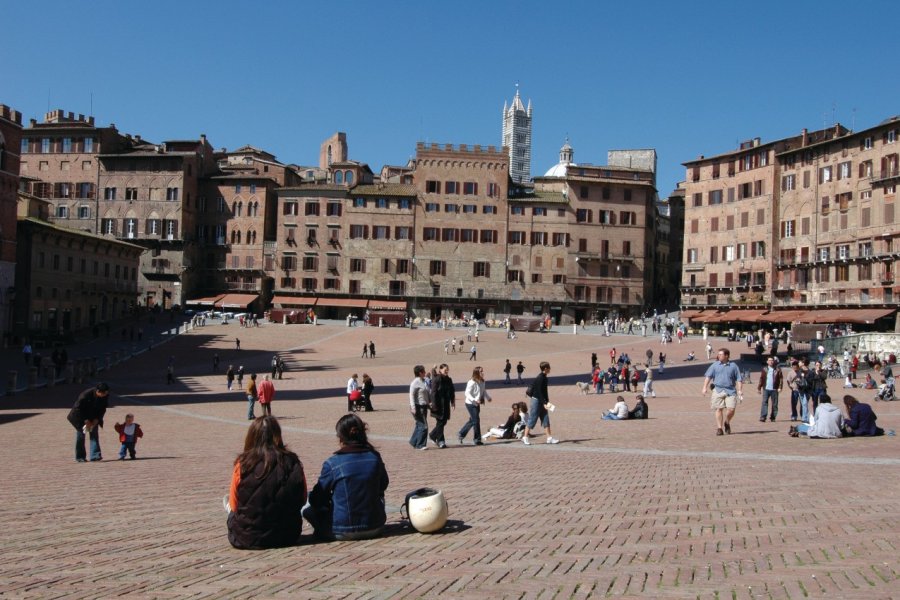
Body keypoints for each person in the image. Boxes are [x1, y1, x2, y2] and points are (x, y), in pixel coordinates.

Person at [302, 414, 389, 541]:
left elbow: (317, 499)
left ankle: (322, 532)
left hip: (344, 530)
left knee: (306, 508)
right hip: (376, 526)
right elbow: (384, 484)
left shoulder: (333, 463)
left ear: (341, 438)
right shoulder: (375, 457)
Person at [226, 416, 307, 549]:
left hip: (247, 537)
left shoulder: (243, 464)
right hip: (288, 535)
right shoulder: (293, 462)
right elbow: (302, 499)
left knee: (229, 507)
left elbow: (234, 505)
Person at [702, 348, 743, 436]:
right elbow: (708, 377)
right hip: (718, 390)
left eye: (721, 354)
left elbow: (739, 379)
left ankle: (727, 422)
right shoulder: (715, 365)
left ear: (726, 356)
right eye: (718, 354)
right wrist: (704, 387)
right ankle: (719, 428)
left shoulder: (733, 366)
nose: (718, 356)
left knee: (731, 409)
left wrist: (740, 390)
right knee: (718, 409)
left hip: (730, 390)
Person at [67, 382, 110, 462]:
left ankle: (95, 455)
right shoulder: (85, 395)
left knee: (94, 435)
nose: (104, 395)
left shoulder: (105, 395)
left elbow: (103, 408)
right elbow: (78, 409)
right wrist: (86, 421)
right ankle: (80, 457)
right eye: (103, 393)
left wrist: (97, 419)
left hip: (93, 416)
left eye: (106, 393)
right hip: (80, 417)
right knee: (81, 436)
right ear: (97, 391)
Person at [522, 362, 559, 445]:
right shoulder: (540, 378)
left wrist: (547, 401)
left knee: (545, 418)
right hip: (536, 401)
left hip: (542, 401)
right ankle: (525, 437)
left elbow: (545, 392)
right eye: (549, 367)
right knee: (533, 419)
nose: (550, 369)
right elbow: (539, 392)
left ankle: (549, 438)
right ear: (545, 368)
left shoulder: (545, 377)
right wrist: (544, 403)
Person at [458, 367, 490, 445]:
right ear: (476, 373)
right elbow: (467, 393)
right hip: (470, 403)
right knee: (476, 420)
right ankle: (477, 439)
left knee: (473, 420)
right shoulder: (471, 382)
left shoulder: (482, 381)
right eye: (481, 371)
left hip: (477, 403)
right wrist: (474, 400)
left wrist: (488, 397)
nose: (483, 372)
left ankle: (461, 433)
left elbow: (483, 390)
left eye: (483, 371)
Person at [428, 364, 455, 448]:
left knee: (444, 422)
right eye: (445, 369)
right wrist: (434, 404)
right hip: (438, 404)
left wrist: (453, 402)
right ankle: (441, 441)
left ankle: (432, 435)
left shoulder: (449, 379)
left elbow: (452, 391)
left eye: (448, 369)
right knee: (440, 422)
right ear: (440, 370)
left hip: (446, 404)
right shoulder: (437, 379)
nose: (447, 371)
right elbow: (433, 392)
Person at [409, 365, 431, 450]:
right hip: (418, 407)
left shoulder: (424, 381)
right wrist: (413, 407)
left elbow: (426, 393)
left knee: (419, 425)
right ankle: (420, 444)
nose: (425, 372)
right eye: (423, 371)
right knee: (424, 426)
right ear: (420, 373)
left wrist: (429, 402)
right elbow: (411, 395)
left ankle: (413, 441)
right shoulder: (415, 382)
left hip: (424, 406)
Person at [757, 356, 782, 422]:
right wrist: (759, 388)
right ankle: (763, 416)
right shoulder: (764, 369)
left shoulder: (778, 369)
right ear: (767, 362)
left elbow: (781, 379)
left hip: (774, 389)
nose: (771, 361)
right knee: (764, 402)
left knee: (774, 404)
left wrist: (780, 387)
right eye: (769, 360)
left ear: (774, 361)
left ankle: (773, 417)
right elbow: (761, 379)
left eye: (772, 360)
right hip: (766, 389)